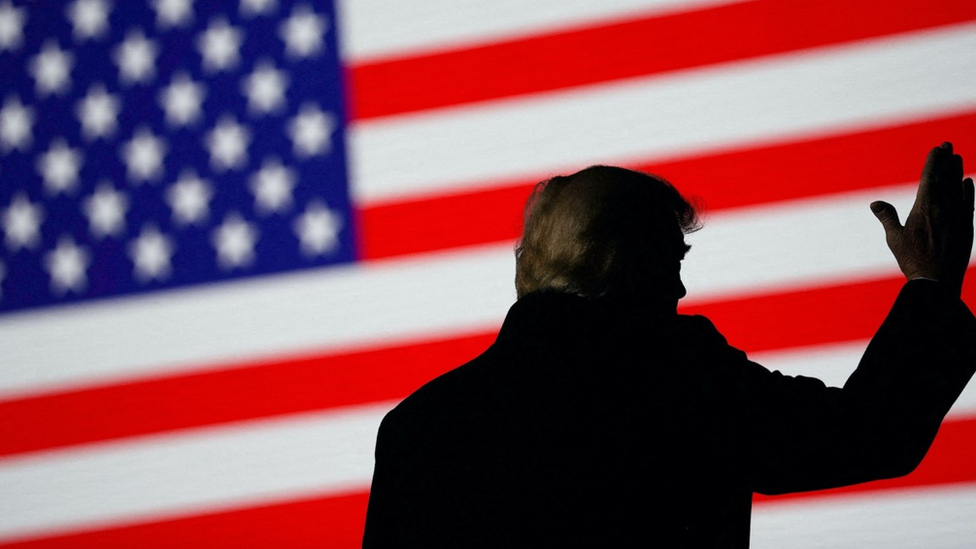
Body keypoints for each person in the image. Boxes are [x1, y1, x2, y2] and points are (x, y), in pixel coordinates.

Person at [361, 143, 976, 547]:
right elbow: (865, 434)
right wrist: (931, 283)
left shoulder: (417, 428)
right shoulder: (676, 376)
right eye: (669, 260)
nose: (680, 287)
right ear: (619, 262)